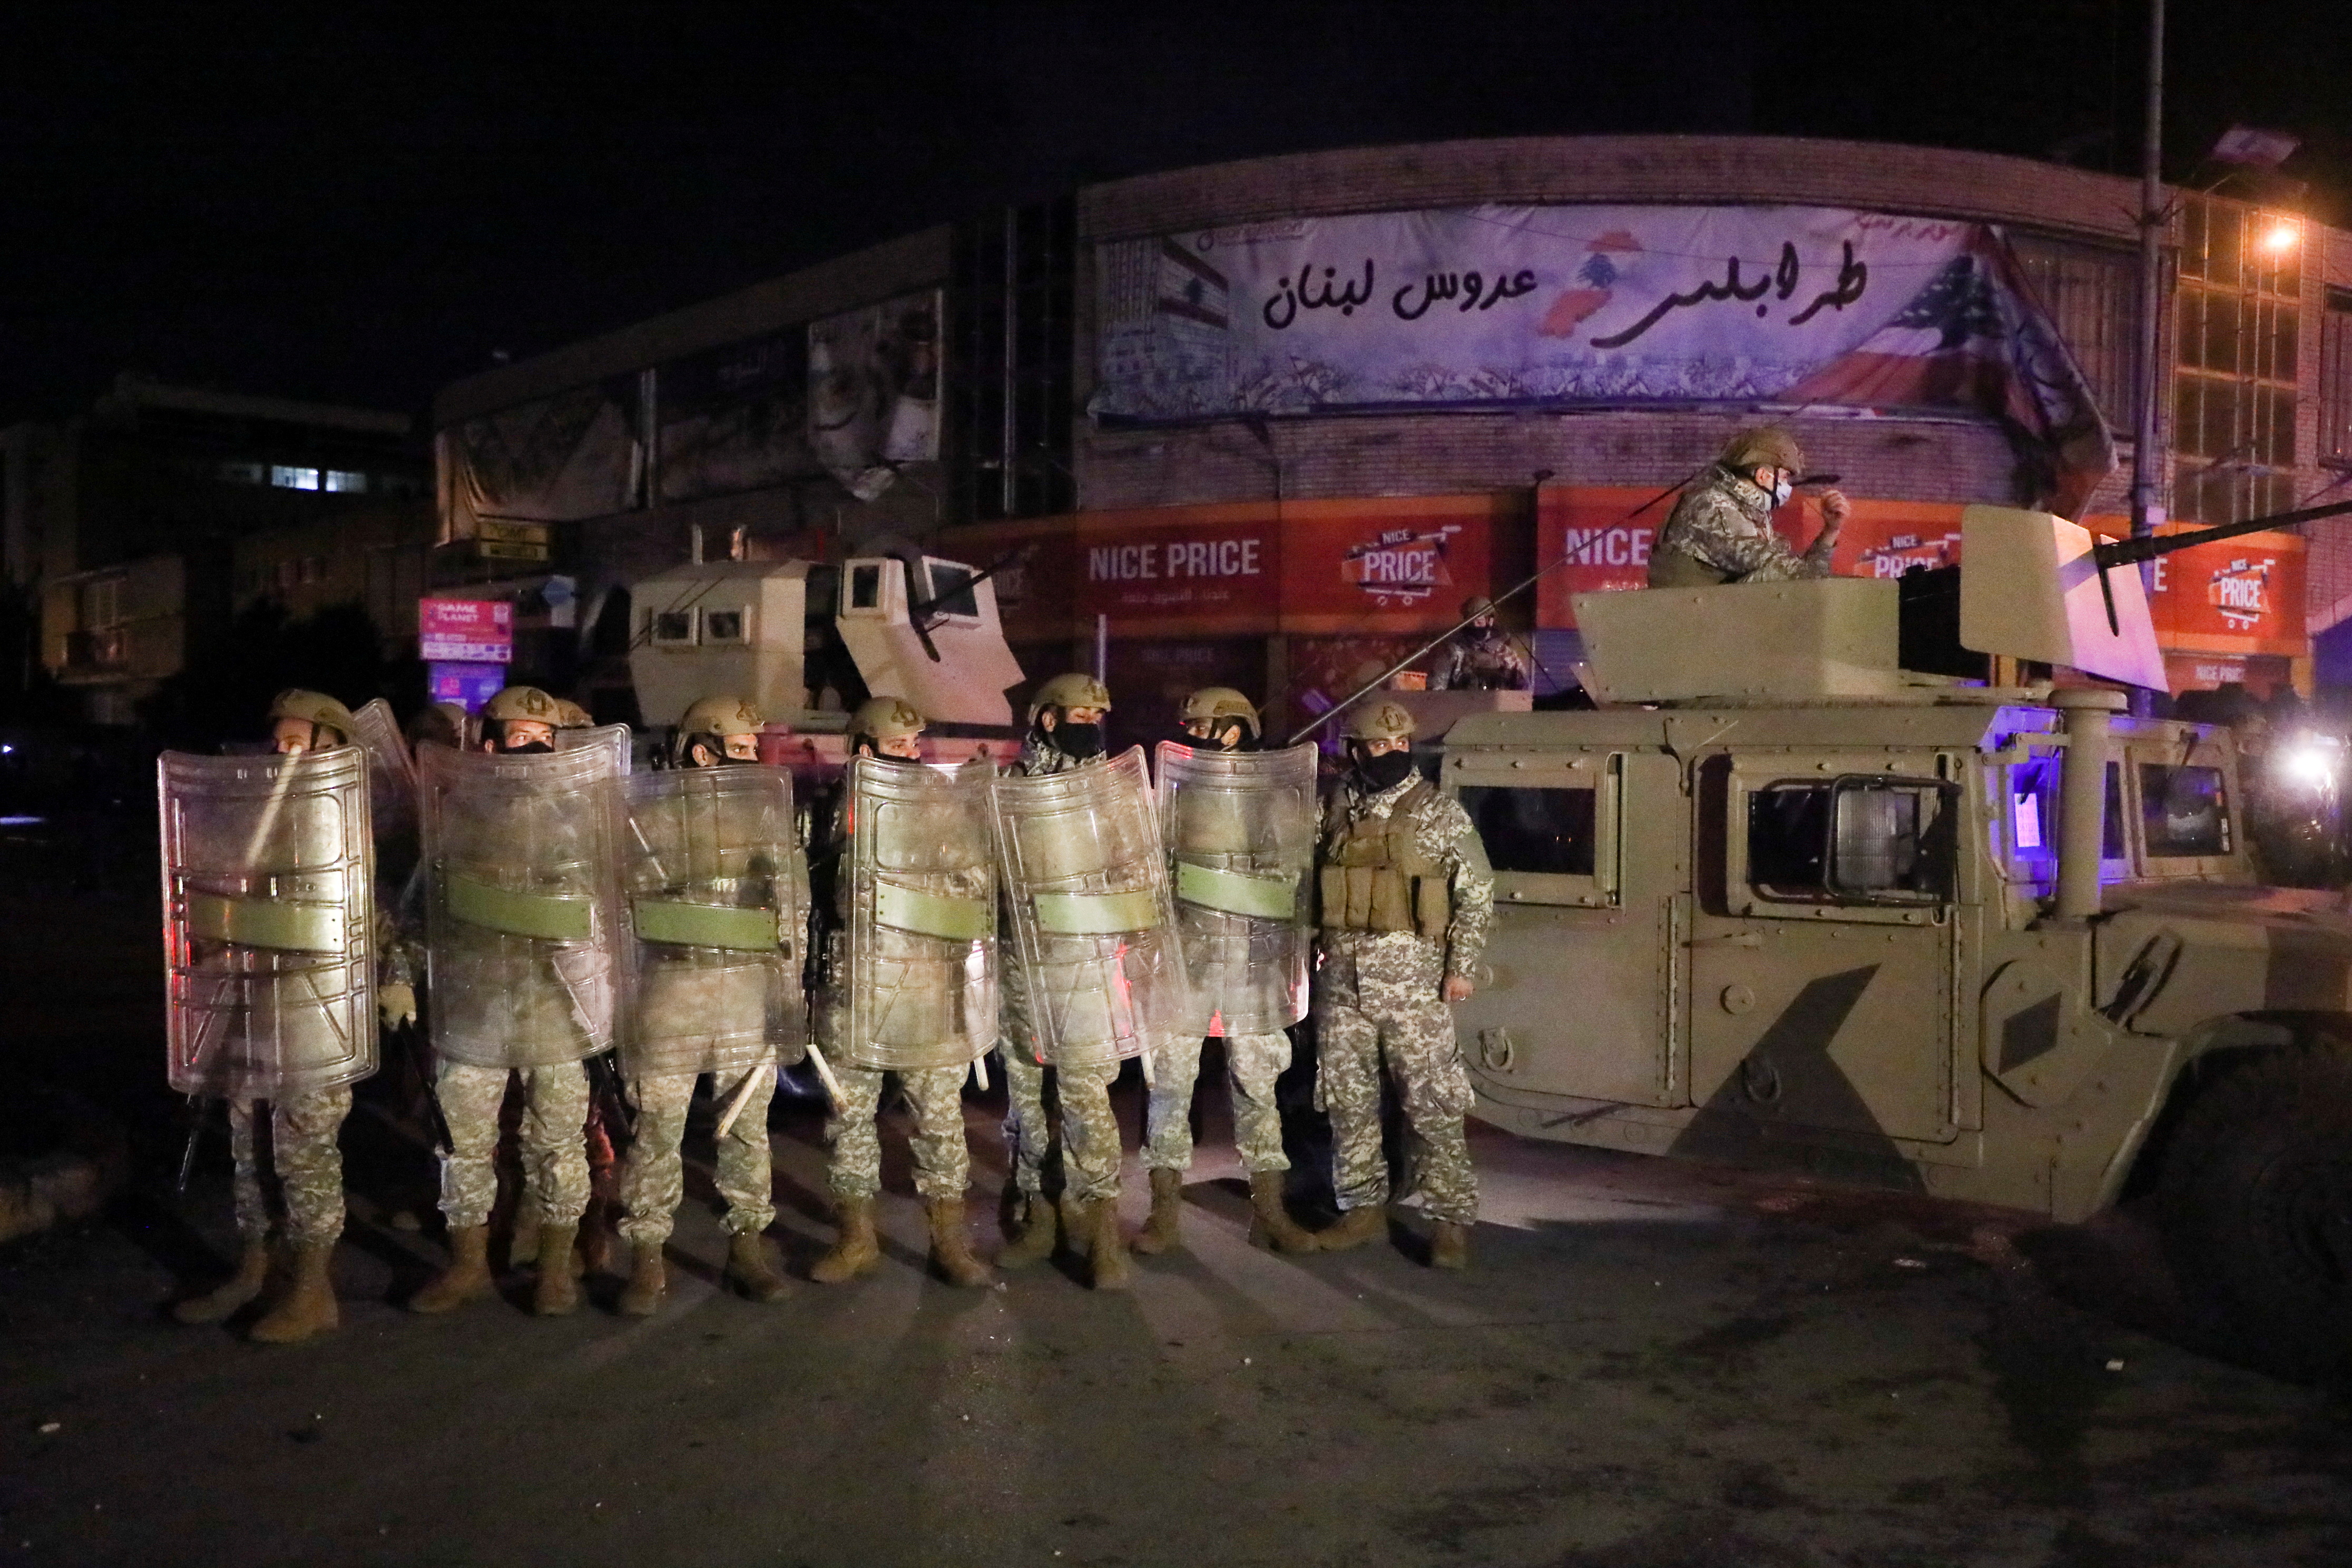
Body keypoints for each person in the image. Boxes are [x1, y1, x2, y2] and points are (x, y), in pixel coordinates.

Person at [167, 689, 402, 1343]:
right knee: (248, 1145)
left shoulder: (348, 817)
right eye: (277, 740)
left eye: (297, 741)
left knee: (305, 1151)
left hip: (317, 1007)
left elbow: (374, 911)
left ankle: (311, 1289)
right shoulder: (250, 811)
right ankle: (255, 1269)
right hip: (250, 1000)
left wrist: (396, 979)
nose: (281, 752)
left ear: (332, 746)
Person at [409, 684, 620, 1317]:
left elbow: (606, 915)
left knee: (557, 1140)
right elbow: (421, 905)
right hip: (478, 1000)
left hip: (556, 1002)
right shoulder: (457, 814)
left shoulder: (581, 819)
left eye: (545, 738)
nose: (536, 749)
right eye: (522, 737)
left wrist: (603, 999)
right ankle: (468, 1264)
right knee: (463, 1141)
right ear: (492, 746)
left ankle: (555, 1268)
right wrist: (398, 974)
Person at [612, 694, 796, 1312]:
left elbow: (792, 909)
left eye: (753, 749)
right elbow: (623, 904)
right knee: (657, 1127)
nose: (753, 760)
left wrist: (788, 986)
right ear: (702, 752)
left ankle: (748, 1247)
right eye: (741, 749)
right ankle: (647, 1258)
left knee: (747, 1128)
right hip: (674, 988)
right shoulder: (652, 817)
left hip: (745, 990)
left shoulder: (766, 819)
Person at [807, 697, 995, 1288]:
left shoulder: (943, 806)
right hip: (852, 987)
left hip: (924, 982)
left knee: (938, 1117)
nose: (911, 756)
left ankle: (949, 1241)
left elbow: (976, 884)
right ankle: (855, 1238)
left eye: (915, 746)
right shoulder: (828, 809)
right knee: (849, 1118)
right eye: (897, 746)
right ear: (864, 749)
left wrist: (914, 891)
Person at [1311, 700, 1495, 1268]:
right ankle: (1361, 1208)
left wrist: (1461, 968)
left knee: (1433, 1106)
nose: (1392, 753)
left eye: (1400, 744)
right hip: (1342, 986)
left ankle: (1449, 1221)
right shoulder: (1332, 807)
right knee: (1347, 1103)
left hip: (1414, 988)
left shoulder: (1438, 812)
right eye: (1379, 745)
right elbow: (1303, 879)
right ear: (1356, 751)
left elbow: (1477, 892)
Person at [1136, 688, 1319, 1256]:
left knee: (1258, 1088)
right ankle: (1163, 1215)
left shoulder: (1274, 795)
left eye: (1201, 727)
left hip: (1251, 964)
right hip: (1185, 963)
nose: (1190, 736)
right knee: (1170, 1088)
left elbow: (1292, 882)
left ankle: (1270, 1212)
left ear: (1232, 731)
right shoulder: (1173, 792)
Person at [994, 672, 1134, 1288]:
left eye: (1098, 718)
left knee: (1086, 1102)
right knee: (1027, 1102)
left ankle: (1102, 1232)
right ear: (1048, 720)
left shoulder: (1113, 790)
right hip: (1023, 969)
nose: (1093, 727)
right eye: (1082, 717)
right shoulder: (1008, 788)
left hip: (1087, 968)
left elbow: (1139, 872)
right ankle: (1040, 1216)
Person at [1647, 426, 1849, 587]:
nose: (1788, 485)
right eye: (1785, 477)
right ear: (1762, 476)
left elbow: (1805, 575)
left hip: (1710, 611)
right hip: (1694, 617)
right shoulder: (1713, 506)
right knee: (1777, 578)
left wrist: (1831, 530)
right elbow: (1794, 575)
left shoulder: (1746, 508)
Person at [1430, 599, 1531, 692]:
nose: (1475, 626)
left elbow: (1524, 690)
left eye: (1479, 622)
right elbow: (1436, 690)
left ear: (1490, 621)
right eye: (1470, 622)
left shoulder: (1506, 654)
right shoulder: (1454, 652)